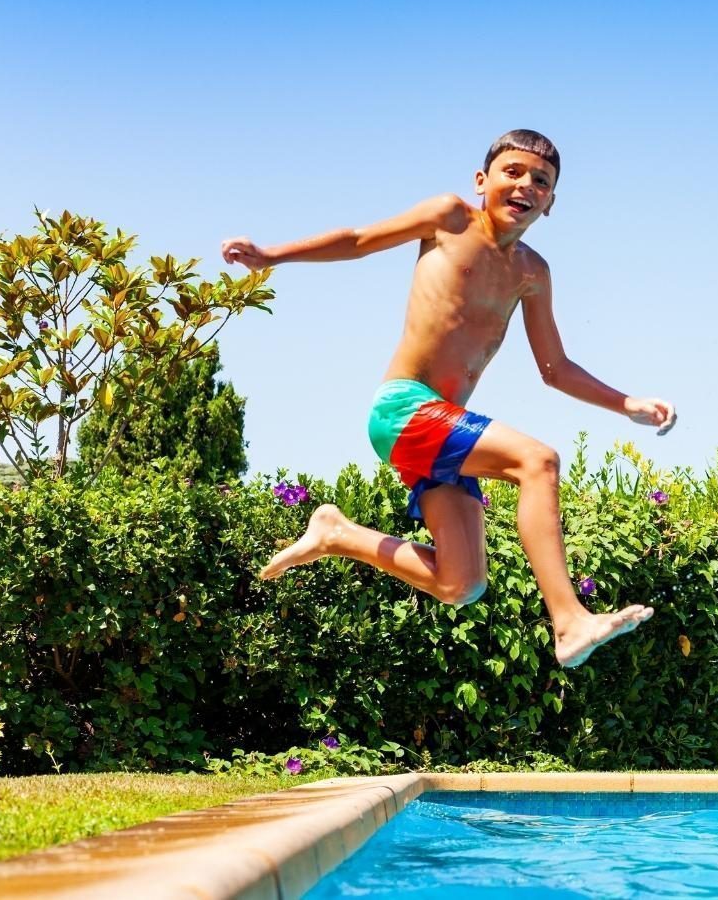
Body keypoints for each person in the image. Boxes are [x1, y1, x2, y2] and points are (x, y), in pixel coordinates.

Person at [221, 129, 671, 668]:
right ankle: (569, 619)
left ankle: (338, 533)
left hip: (444, 432)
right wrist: (273, 255)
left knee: (461, 583)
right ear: (482, 181)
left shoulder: (533, 273)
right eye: (513, 172)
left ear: (550, 203)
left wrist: (626, 404)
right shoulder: (450, 218)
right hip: (404, 409)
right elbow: (360, 239)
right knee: (538, 461)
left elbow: (555, 369)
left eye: (541, 181)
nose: (526, 184)